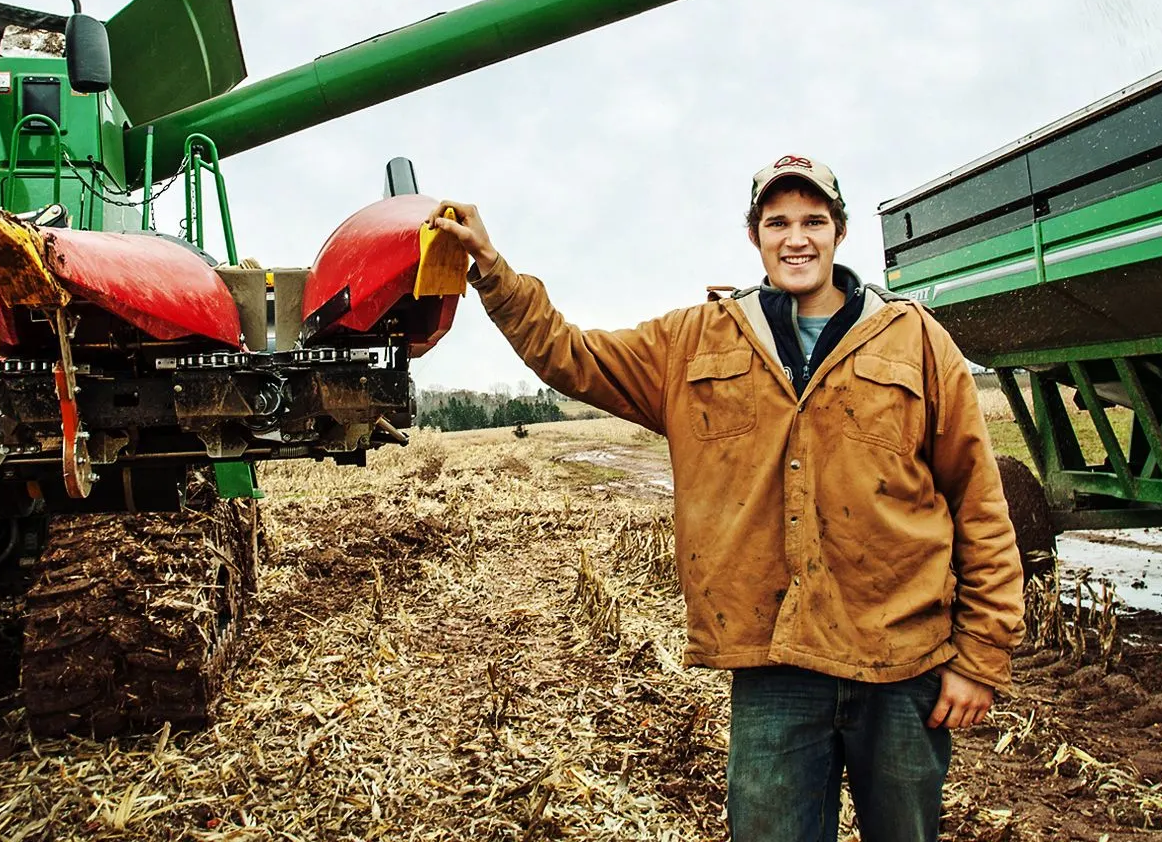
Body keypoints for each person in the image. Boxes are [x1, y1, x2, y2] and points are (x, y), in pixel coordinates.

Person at [426, 156, 1023, 842]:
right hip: (774, 665)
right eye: (778, 223)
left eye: (813, 222)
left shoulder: (916, 340)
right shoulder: (695, 340)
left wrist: (981, 657)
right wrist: (490, 266)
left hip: (901, 660)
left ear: (841, 233)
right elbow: (570, 355)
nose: (796, 238)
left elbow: (978, 501)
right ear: (754, 236)